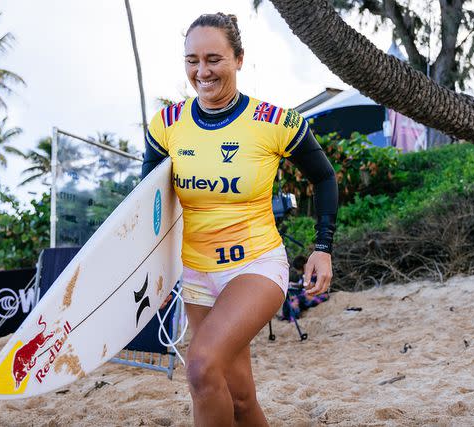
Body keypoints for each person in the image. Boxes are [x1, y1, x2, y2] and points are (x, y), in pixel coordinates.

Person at [141, 13, 338, 426]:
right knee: (239, 397)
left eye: (214, 58)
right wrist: (152, 272)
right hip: (197, 275)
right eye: (192, 60)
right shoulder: (166, 125)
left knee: (199, 367)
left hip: (256, 265)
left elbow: (323, 177)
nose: (202, 71)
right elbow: (150, 207)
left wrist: (322, 247)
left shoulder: (274, 122)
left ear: (239, 59)